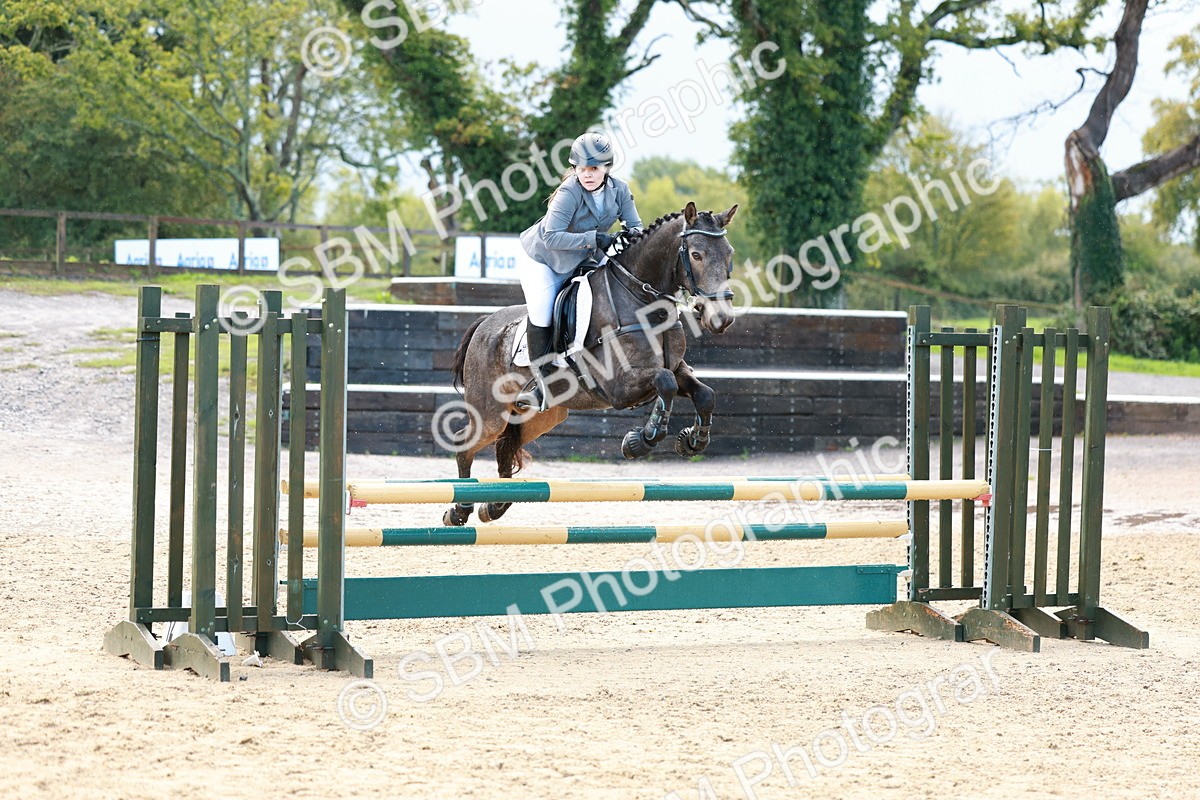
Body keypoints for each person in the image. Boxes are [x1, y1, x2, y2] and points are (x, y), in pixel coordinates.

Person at [515, 131, 643, 411]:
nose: (587, 174)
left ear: (607, 168)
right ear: (574, 169)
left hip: (584, 259)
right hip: (544, 259)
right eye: (582, 169)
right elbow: (551, 236)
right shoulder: (569, 191)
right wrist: (595, 238)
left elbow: (636, 226)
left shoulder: (619, 189)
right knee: (542, 309)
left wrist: (628, 237)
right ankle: (541, 384)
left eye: (594, 168)